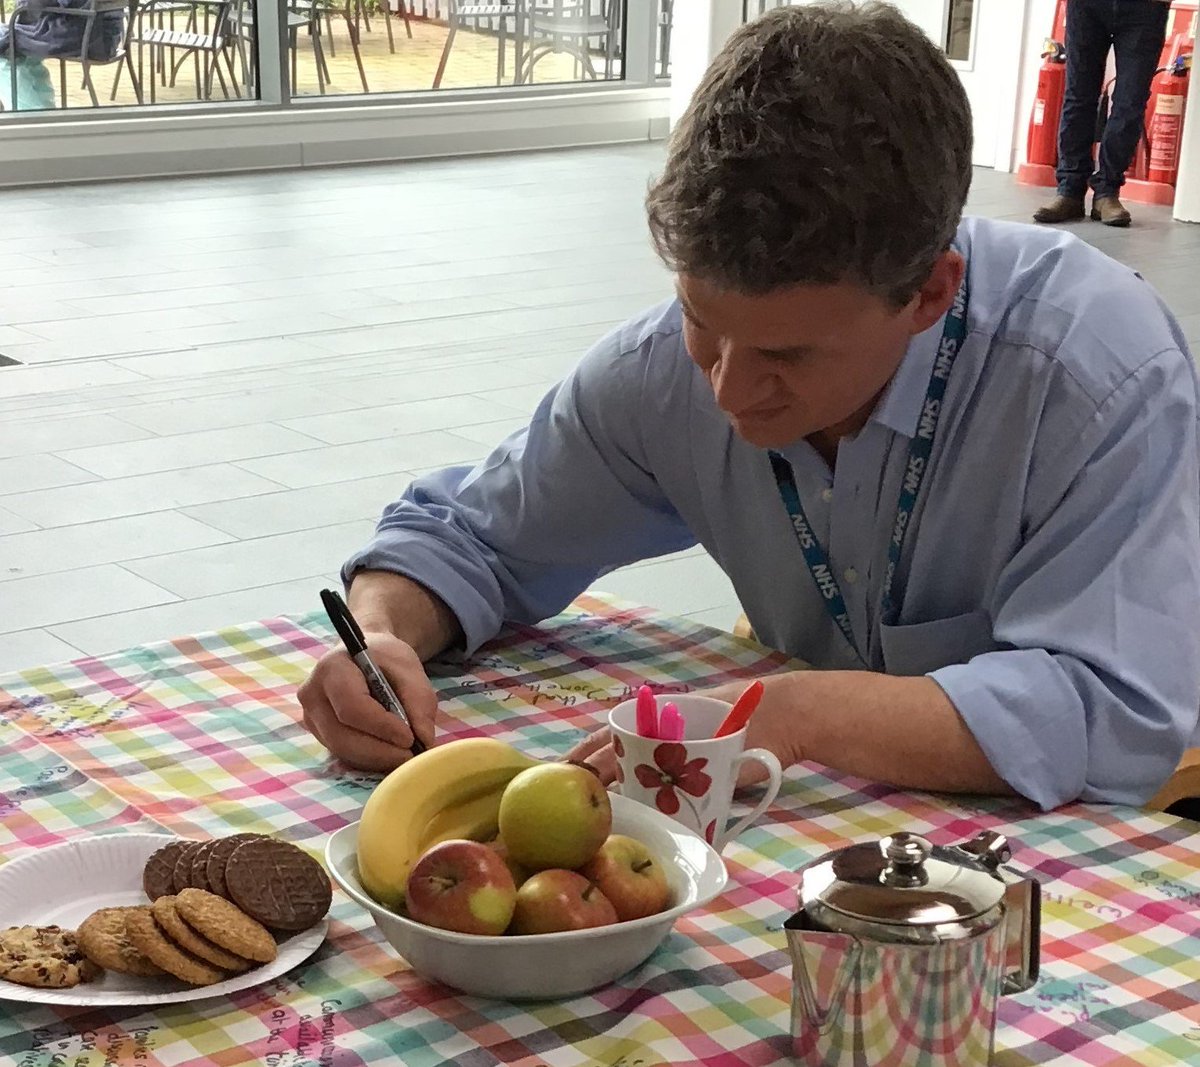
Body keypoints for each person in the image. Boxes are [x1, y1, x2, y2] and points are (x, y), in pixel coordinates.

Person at [298, 1, 1200, 813]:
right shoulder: (665, 369)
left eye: (785, 353)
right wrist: (381, 633)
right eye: (702, 322)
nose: (727, 387)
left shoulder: (1095, 374)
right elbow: (466, 535)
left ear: (930, 294)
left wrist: (798, 713)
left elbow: (1114, 712)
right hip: (815, 832)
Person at [1034, 0, 1172, 228]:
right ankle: (1070, 190)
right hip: (1086, 5)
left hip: (1146, 7)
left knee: (1130, 101)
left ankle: (1107, 191)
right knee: (1078, 96)